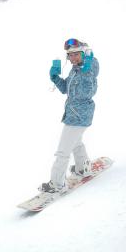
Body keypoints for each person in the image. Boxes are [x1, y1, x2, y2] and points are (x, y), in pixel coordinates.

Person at [39, 38, 99, 194]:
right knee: (76, 143)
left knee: (63, 151)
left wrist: (86, 73)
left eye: (75, 54)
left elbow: (87, 93)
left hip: (79, 115)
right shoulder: (77, 68)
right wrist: (56, 78)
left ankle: (57, 184)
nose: (72, 58)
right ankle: (83, 168)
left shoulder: (89, 70)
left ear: (85, 54)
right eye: (69, 55)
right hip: (74, 114)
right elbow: (67, 89)